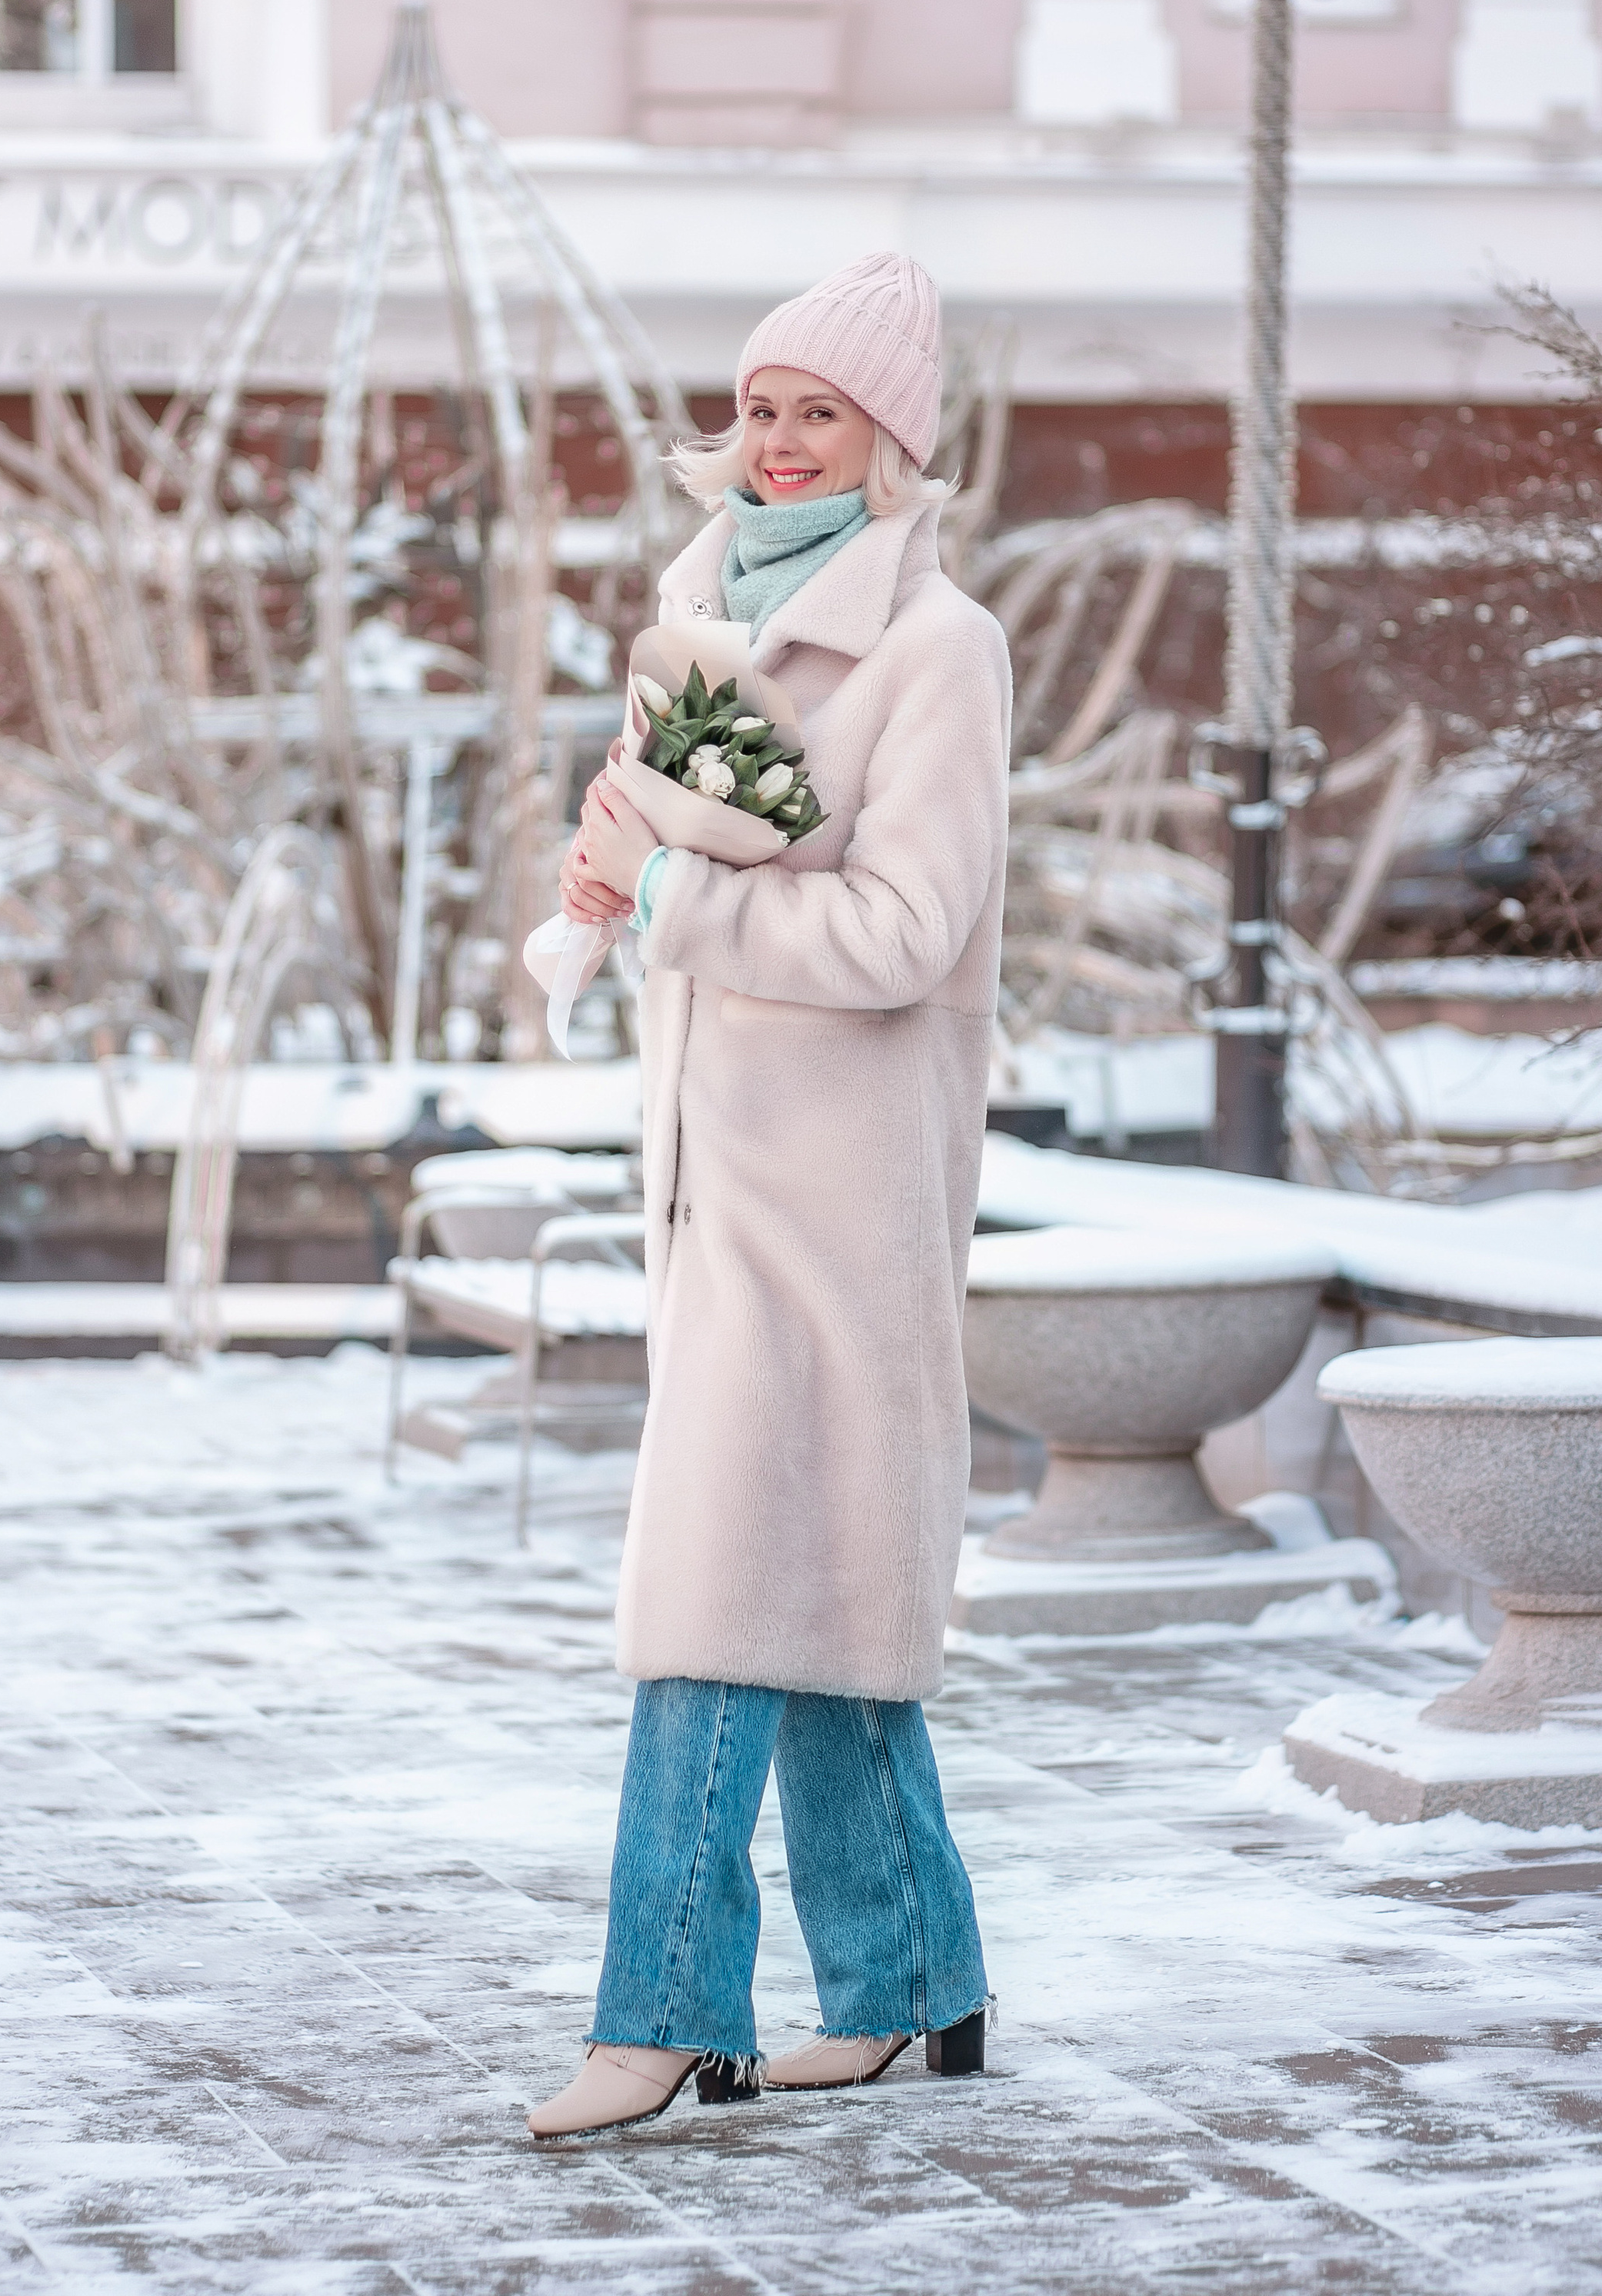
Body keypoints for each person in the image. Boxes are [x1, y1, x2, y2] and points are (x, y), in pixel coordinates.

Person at [525, 250, 1014, 2144]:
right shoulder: (699, 613)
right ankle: (911, 1991)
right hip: (710, 1182)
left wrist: (675, 896)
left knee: (714, 1596)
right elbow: (676, 862)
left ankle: (664, 2015)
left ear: (888, 441)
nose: (781, 440)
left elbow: (905, 931)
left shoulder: (934, 647)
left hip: (844, 1186)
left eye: (821, 411)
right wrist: (607, 878)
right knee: (820, 1582)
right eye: (758, 406)